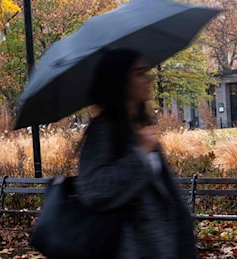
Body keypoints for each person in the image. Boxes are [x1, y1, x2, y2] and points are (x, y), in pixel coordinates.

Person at [76, 49, 197, 258]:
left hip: (162, 247)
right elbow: (94, 190)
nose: (148, 79)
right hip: (129, 249)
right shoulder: (103, 130)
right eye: (139, 73)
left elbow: (167, 196)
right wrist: (140, 153)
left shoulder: (140, 126)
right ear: (121, 81)